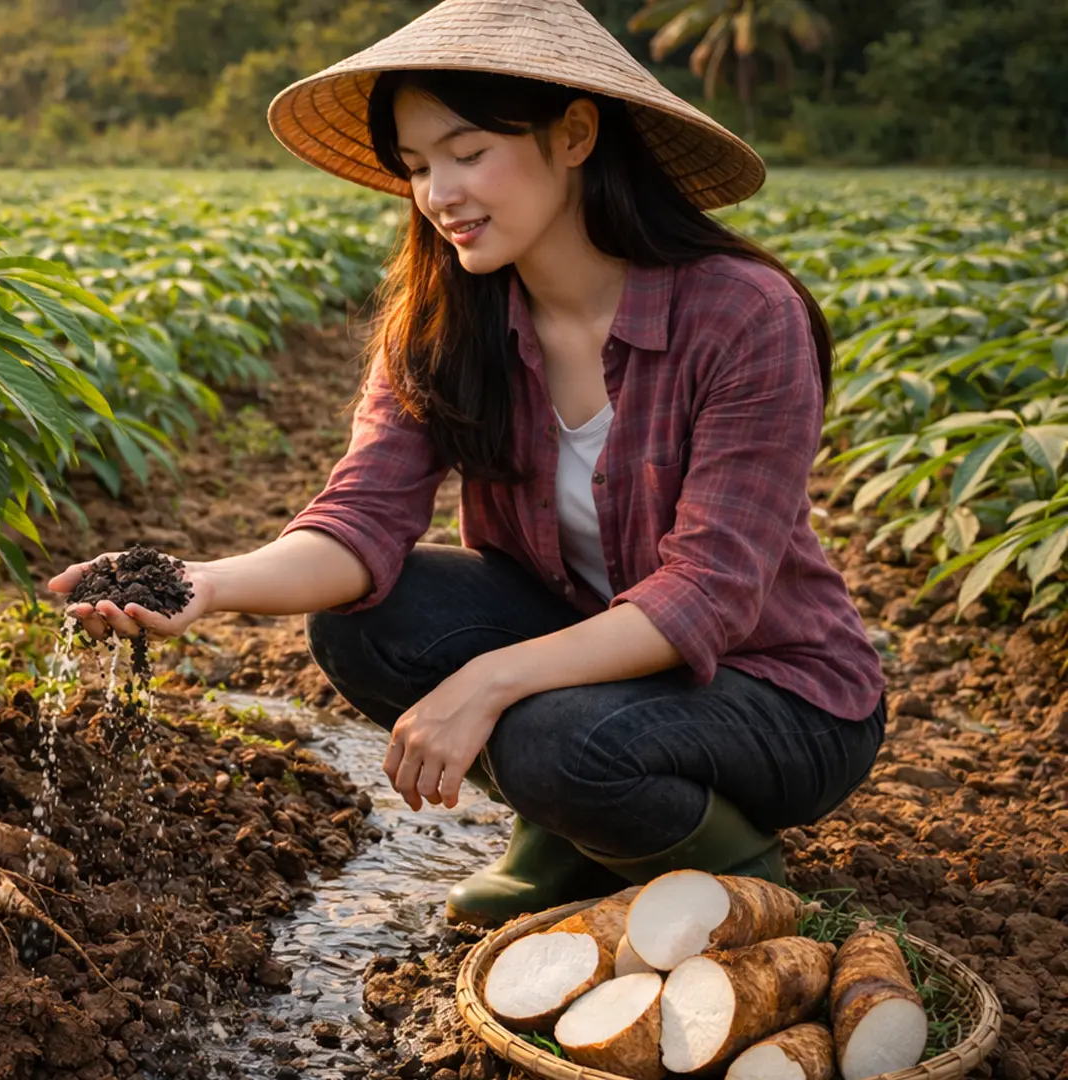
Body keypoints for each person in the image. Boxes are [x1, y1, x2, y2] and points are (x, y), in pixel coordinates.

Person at [46, 0, 887, 929]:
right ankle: (577, 832)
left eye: (468, 151)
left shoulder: (742, 313)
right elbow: (361, 519)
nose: (438, 193)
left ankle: (735, 867)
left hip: (778, 694)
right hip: (591, 655)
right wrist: (206, 583)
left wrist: (488, 682)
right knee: (363, 626)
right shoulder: (446, 321)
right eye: (416, 167)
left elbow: (710, 594)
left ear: (574, 135)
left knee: (551, 738)